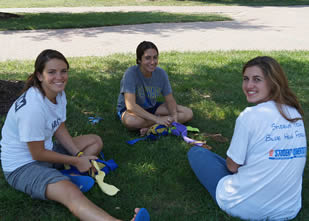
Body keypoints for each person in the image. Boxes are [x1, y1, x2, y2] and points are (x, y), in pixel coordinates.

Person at [0, 49, 146, 221]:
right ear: (39, 75)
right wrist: (76, 160)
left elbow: (59, 126)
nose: (59, 77)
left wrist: (78, 154)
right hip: (23, 167)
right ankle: (68, 180)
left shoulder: (58, 93)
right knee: (71, 193)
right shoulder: (32, 108)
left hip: (46, 151)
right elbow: (37, 154)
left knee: (95, 141)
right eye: (52, 72)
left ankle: (68, 175)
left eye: (63, 71)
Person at [188, 56, 307, 220]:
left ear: (273, 82)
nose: (249, 85)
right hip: (289, 209)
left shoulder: (249, 116)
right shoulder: (295, 114)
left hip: (245, 206)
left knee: (197, 153)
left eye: (257, 79)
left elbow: (232, 167)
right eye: (246, 79)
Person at [116, 41, 193, 135]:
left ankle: (150, 126)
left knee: (188, 113)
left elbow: (170, 100)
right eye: (148, 58)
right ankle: (159, 123)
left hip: (152, 107)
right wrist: (158, 119)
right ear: (139, 60)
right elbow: (131, 106)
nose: (152, 62)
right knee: (132, 122)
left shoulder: (161, 73)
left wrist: (174, 118)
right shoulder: (130, 74)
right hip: (131, 111)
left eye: (155, 57)